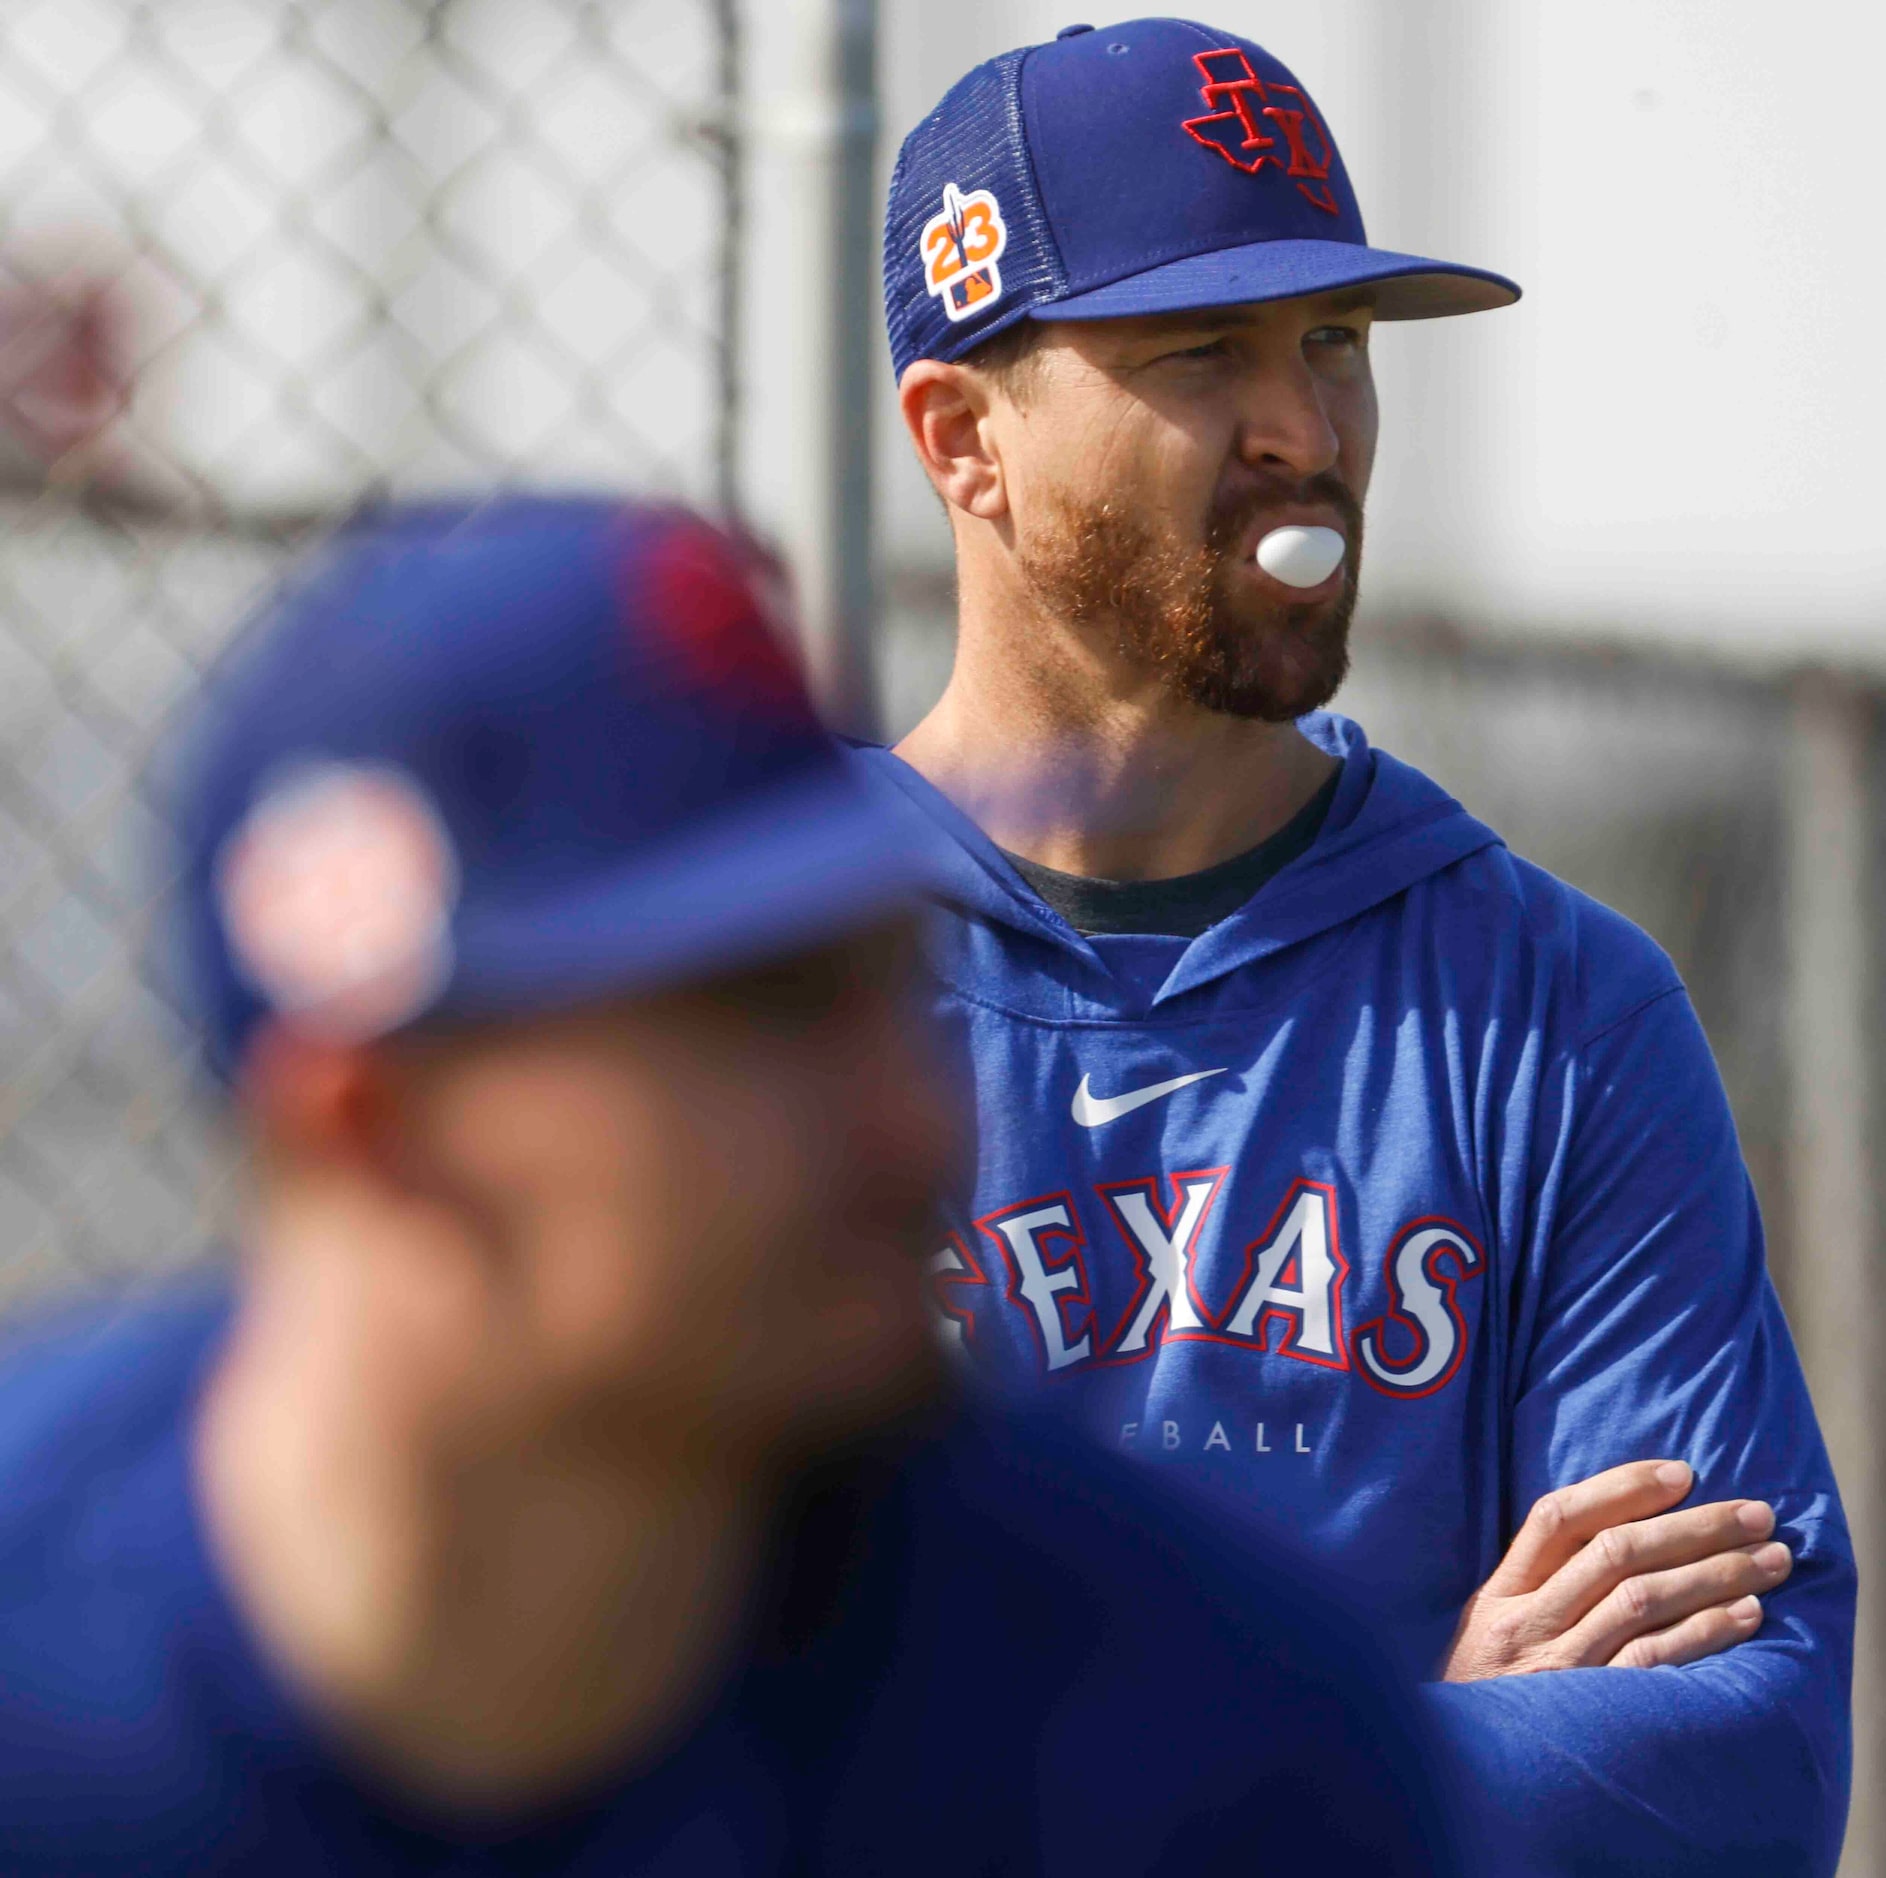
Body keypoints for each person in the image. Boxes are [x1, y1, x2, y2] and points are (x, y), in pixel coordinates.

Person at [0, 496, 1467, 1876]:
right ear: (375, 1128)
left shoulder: (1206, 1753)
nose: (916, 1124)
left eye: (891, 984)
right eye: (767, 1010)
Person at [867, 20, 1854, 1876]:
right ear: (961, 440)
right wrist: (1390, 1755)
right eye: (1198, 353)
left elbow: (1735, 1757)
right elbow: (656, 1754)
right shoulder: (754, 992)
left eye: (1334, 342)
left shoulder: (1550, 1008)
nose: (1308, 433)